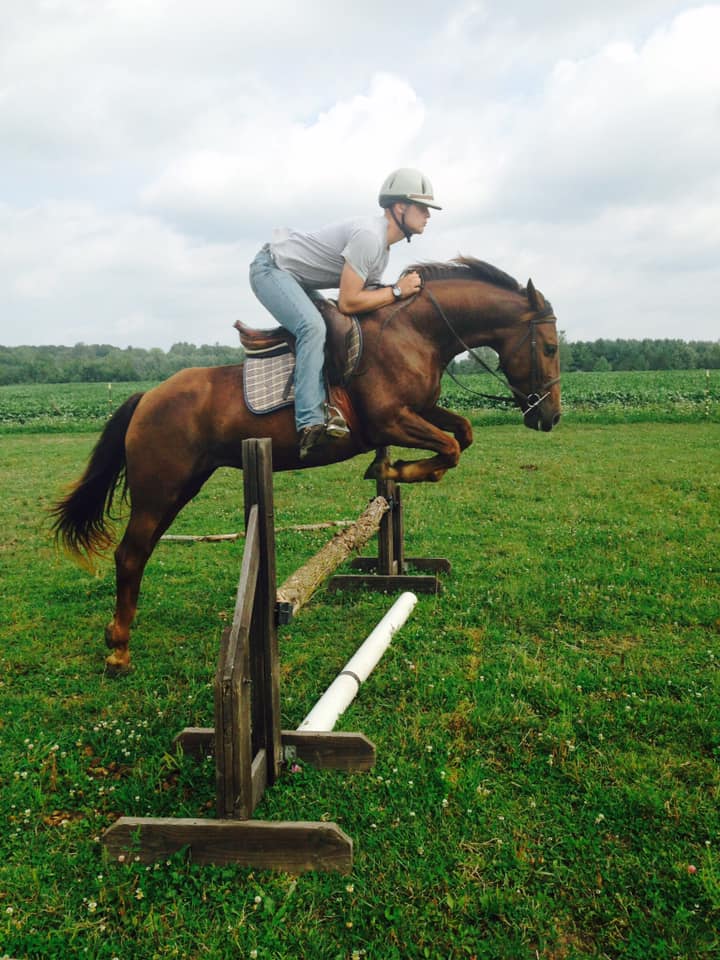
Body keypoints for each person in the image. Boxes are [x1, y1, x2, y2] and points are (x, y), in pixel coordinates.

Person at [249, 167, 441, 459]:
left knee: (333, 326)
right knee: (313, 328)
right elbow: (349, 303)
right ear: (400, 207)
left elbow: (369, 303)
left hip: (295, 279)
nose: (428, 215)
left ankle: (334, 404)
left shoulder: (382, 250)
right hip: (271, 269)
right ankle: (310, 422)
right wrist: (399, 291)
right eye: (423, 208)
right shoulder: (370, 238)